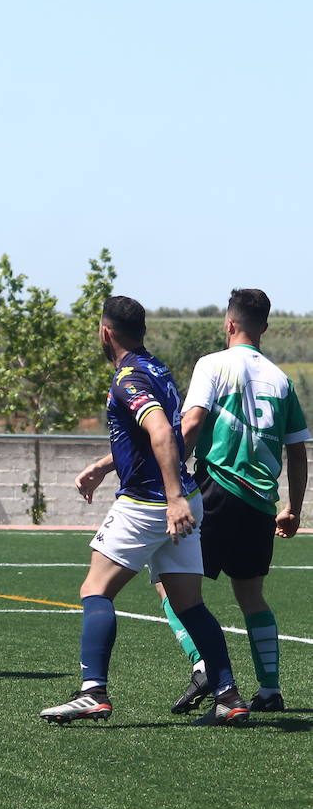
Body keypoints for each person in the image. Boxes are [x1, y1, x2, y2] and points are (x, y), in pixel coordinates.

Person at [42, 295, 248, 724]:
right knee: (189, 603)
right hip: (185, 499)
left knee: (95, 590)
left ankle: (92, 691)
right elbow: (159, 436)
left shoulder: (127, 378)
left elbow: (158, 430)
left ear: (105, 333)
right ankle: (228, 695)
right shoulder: (157, 369)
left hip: (149, 503)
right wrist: (104, 465)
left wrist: (170, 497)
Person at [159, 289, 309, 715]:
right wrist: (293, 507)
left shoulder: (213, 364)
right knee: (252, 595)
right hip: (262, 502)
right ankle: (270, 690)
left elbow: (191, 424)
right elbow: (298, 451)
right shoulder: (282, 380)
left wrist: (167, 474)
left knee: (170, 581)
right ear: (264, 326)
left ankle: (205, 665)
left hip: (216, 491)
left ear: (229, 324)